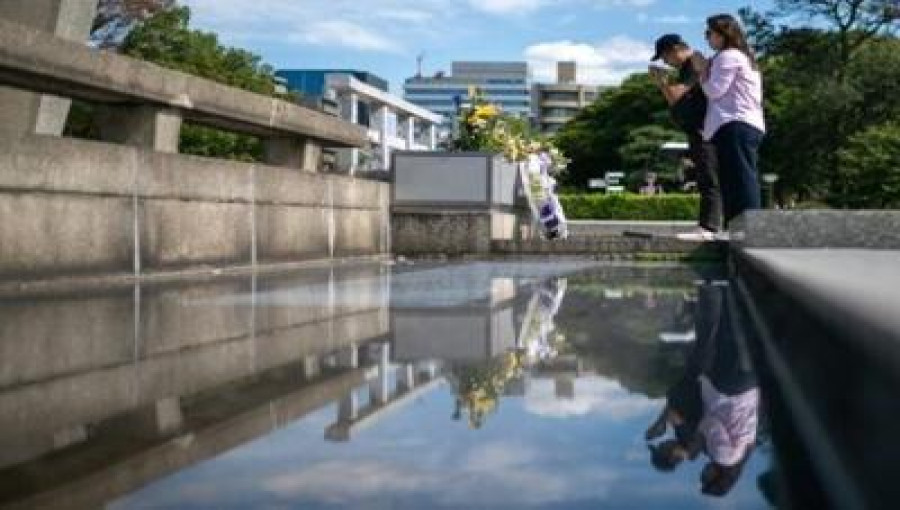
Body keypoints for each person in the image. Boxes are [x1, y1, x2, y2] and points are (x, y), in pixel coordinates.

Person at [693, 14, 766, 226]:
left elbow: (714, 91)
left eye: (709, 33)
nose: (707, 38)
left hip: (735, 123)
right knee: (736, 178)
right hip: (741, 123)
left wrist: (702, 71)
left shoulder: (728, 56)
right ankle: (737, 226)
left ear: (722, 34)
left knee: (741, 179)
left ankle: (747, 227)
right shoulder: (743, 55)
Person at [649, 34, 722, 241]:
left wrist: (662, 83)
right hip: (699, 127)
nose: (665, 62)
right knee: (705, 175)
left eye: (665, 57)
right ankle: (709, 224)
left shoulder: (695, 64)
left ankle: (709, 227)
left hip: (704, 128)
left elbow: (677, 95)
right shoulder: (689, 66)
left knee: (709, 176)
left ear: (675, 49)